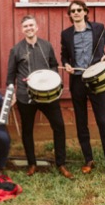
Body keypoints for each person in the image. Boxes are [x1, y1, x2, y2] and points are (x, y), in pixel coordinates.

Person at [6, 15, 71, 179]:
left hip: (48, 95)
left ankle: (61, 163)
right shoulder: (16, 50)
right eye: (25, 26)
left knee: (59, 126)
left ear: (36, 27)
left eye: (31, 25)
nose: (29, 28)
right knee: (27, 130)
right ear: (22, 30)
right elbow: (10, 75)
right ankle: (32, 163)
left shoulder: (46, 46)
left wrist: (53, 80)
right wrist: (11, 93)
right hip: (25, 96)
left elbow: (54, 65)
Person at [61, 0, 105, 181]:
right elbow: (64, 55)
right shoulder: (66, 34)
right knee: (81, 123)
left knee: (102, 122)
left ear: (85, 11)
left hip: (97, 79)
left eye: (79, 10)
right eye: (73, 11)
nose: (76, 13)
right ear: (70, 15)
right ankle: (88, 160)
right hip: (77, 81)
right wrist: (67, 65)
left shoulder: (98, 28)